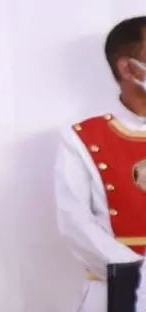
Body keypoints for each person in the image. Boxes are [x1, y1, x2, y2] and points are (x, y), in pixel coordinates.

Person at [54, 16, 146, 311]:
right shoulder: (83, 138)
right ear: (127, 67)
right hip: (114, 291)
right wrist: (134, 272)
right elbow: (73, 219)